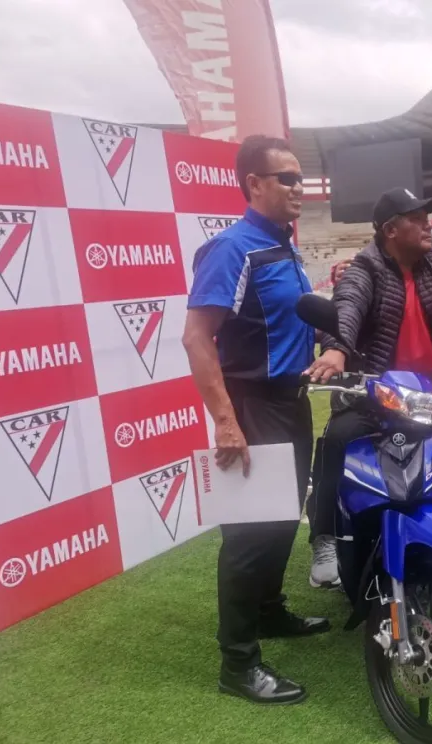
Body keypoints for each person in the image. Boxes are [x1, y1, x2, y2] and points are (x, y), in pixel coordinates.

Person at [182, 134, 329, 706]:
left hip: (290, 401)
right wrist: (225, 420)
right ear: (255, 185)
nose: (298, 188)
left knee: (281, 519)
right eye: (287, 179)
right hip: (251, 404)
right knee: (248, 537)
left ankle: (268, 613)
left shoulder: (284, 246)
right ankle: (237, 665)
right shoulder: (232, 249)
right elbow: (198, 338)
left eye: (300, 178)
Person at [303, 187, 432, 588]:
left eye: (427, 216)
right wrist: (336, 350)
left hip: (430, 393)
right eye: (416, 218)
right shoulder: (364, 268)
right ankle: (326, 536)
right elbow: (347, 307)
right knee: (337, 440)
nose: (427, 224)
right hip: (373, 391)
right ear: (390, 230)